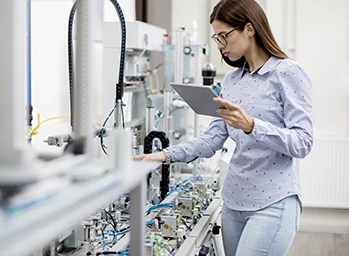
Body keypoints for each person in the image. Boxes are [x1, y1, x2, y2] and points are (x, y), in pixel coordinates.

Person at [134, 0, 313, 255]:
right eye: (216, 37)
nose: (219, 45)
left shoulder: (287, 73)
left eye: (224, 36)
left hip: (273, 203)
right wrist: (163, 155)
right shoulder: (231, 80)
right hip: (233, 203)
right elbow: (212, 139)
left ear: (249, 29)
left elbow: (303, 142)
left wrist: (252, 126)